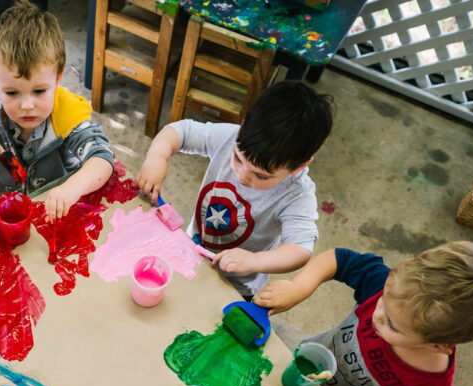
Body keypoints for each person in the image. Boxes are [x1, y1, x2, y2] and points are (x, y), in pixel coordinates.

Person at [254, 242, 473, 386]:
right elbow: (339, 259)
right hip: (299, 366)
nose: (377, 315)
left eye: (392, 324)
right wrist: (299, 288)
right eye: (382, 301)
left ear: (438, 345)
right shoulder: (390, 289)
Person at [136, 80, 334, 298]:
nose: (243, 176)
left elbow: (300, 249)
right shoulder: (232, 137)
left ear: (299, 166)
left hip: (236, 286)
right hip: (191, 253)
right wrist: (157, 156)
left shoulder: (297, 195)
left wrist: (255, 261)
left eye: (261, 175)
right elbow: (180, 131)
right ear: (243, 125)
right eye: (237, 159)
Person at [0, 0, 114, 220]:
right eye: (12, 93)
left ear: (58, 77)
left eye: (39, 91)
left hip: (56, 206)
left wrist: (72, 189)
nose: (27, 105)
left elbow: (102, 158)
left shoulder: (67, 111)